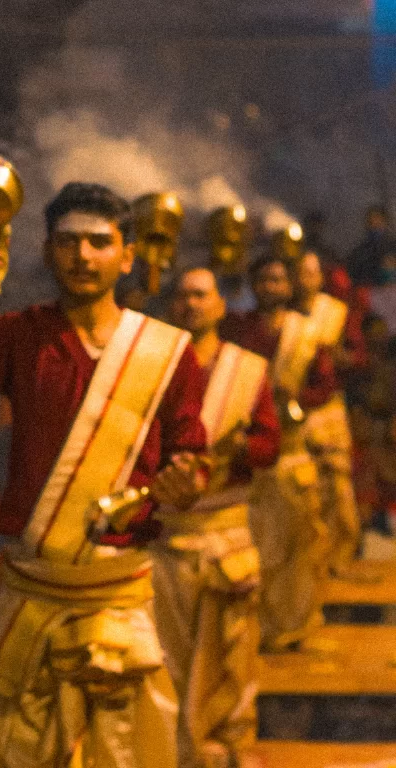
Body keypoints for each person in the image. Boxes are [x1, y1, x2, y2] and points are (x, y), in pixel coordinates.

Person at [0, 182, 208, 768]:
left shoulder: (167, 351)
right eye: (68, 242)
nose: (83, 255)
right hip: (35, 588)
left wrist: (183, 483)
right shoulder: (22, 333)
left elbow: (190, 456)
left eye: (100, 242)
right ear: (46, 253)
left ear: (127, 256)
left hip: (119, 590)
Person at [154, 268, 281, 768]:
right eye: (183, 295)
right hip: (167, 535)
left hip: (225, 531)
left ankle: (224, 748)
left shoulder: (247, 369)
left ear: (221, 305)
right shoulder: (155, 365)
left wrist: (233, 451)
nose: (192, 304)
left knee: (230, 652)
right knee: (168, 658)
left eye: (201, 294)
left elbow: (270, 443)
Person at [220, 254, 336, 652]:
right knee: (253, 547)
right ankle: (256, 629)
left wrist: (297, 401)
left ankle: (293, 627)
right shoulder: (238, 331)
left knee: (297, 545)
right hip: (247, 453)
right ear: (253, 284)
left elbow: (324, 384)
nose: (271, 287)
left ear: (290, 287)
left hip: (291, 452)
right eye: (264, 279)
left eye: (277, 280)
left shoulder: (304, 334)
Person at [292, 251, 364, 579]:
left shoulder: (334, 313)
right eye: (300, 272)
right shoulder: (284, 314)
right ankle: (311, 569)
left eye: (312, 272)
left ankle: (340, 562)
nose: (305, 278)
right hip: (293, 414)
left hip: (328, 410)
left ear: (321, 277)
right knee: (305, 496)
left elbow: (356, 355)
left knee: (338, 490)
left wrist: (339, 358)